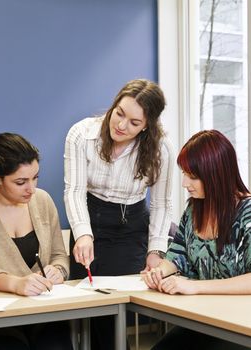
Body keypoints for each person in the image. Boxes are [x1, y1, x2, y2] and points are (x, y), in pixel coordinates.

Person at [64, 78, 174, 349]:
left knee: (116, 310)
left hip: (131, 227)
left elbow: (162, 203)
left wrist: (155, 251)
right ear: (113, 106)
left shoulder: (161, 149)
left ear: (148, 125)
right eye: (119, 114)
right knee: (83, 307)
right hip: (90, 222)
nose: (122, 126)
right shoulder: (81, 134)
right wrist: (82, 234)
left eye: (134, 123)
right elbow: (74, 190)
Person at [142, 130, 251, 350]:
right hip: (208, 318)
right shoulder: (194, 208)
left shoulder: (249, 211)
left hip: (248, 323)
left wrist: (195, 287)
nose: (185, 183)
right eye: (184, 173)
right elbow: (178, 254)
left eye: (193, 176)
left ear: (216, 174)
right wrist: (159, 272)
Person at [0, 132, 72, 350]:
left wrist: (58, 270)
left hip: (42, 312)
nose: (32, 188)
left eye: (35, 177)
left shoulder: (43, 201)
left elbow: (59, 254)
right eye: (21, 182)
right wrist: (16, 284)